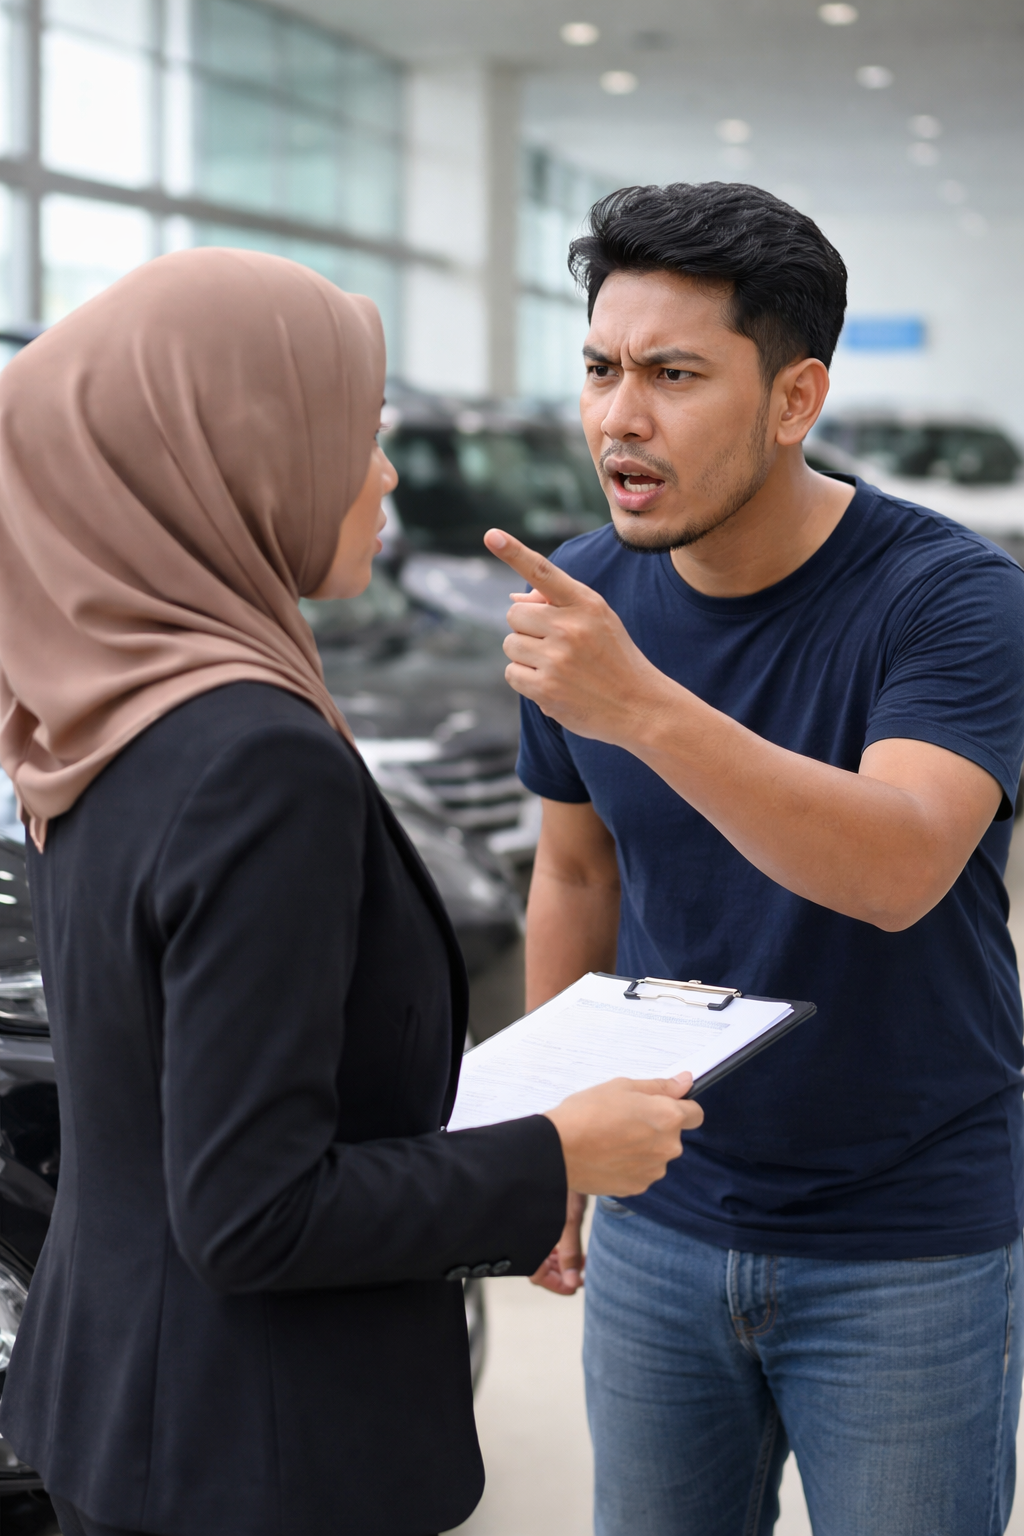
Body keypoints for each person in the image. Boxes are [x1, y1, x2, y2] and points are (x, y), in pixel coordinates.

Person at [0, 247, 704, 1536]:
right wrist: (559, 1153)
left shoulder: (86, 714)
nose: (381, 475)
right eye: (354, 434)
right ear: (233, 456)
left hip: (130, 1408)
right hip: (260, 1454)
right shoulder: (254, 759)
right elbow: (253, 1213)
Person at [482, 181, 1024, 1536]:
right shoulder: (586, 593)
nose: (620, 417)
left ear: (796, 400)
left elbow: (899, 866)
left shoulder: (954, 600)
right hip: (666, 1209)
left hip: (909, 1234)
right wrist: (547, 1140)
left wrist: (640, 705)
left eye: (674, 374)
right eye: (601, 368)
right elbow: (578, 876)